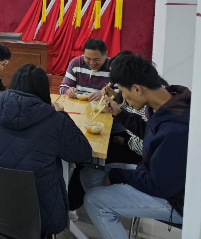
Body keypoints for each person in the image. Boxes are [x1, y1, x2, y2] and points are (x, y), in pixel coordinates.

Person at [0, 64, 92, 236]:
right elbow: (82, 153)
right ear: (43, 89)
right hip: (39, 210)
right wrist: (63, 115)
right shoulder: (55, 119)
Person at [80, 54, 190, 239]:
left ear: (137, 89)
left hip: (176, 200)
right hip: (158, 176)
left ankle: (108, 214)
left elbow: (162, 186)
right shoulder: (170, 101)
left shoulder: (177, 128)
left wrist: (116, 176)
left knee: (94, 201)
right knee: (89, 175)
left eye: (123, 91)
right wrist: (120, 114)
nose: (123, 97)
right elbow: (153, 135)